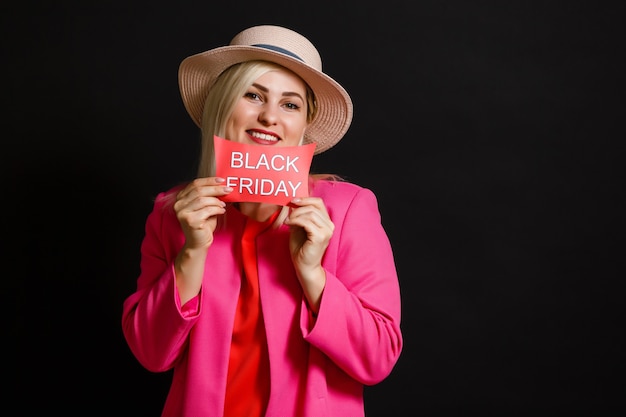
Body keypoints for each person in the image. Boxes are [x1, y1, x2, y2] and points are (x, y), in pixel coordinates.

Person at [121, 24, 403, 417]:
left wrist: (314, 275)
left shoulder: (349, 208)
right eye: (253, 95)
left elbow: (377, 359)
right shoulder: (173, 213)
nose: (270, 116)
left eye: (290, 104)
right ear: (222, 105)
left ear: (304, 126)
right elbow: (152, 355)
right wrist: (191, 254)